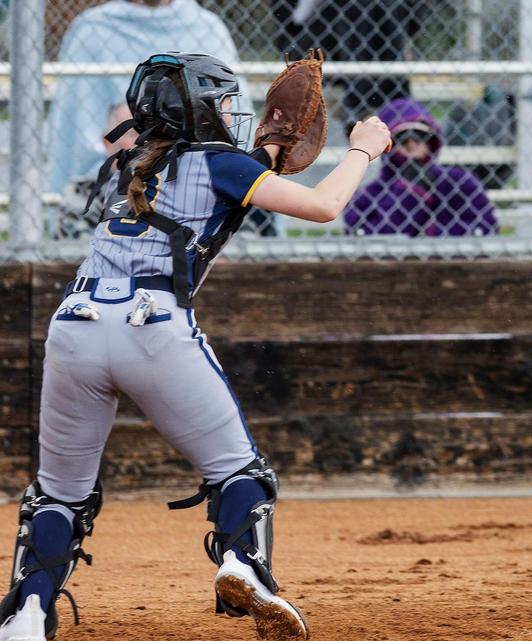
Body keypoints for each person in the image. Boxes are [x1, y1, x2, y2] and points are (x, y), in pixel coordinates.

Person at [0, 52, 391, 641]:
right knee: (240, 472)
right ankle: (244, 567)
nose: (234, 113)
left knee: (58, 493)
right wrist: (363, 148)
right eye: (223, 102)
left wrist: (268, 154)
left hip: (74, 324)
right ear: (200, 110)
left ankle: (26, 615)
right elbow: (323, 206)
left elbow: (214, 181)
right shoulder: (221, 165)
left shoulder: (130, 161)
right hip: (151, 325)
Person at [46, 0, 245, 196]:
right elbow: (78, 126)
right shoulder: (92, 29)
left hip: (197, 171)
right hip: (117, 179)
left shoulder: (206, 27)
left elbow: (229, 109)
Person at [343, 97, 498, 236]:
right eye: (401, 138)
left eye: (420, 135)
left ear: (432, 141)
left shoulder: (459, 181)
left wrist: (430, 235)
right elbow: (367, 238)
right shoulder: (371, 194)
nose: (411, 144)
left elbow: (485, 226)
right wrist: (410, 193)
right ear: (386, 144)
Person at [271, 0, 420, 138]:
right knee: (356, 6)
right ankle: (382, 105)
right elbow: (294, 18)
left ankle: (364, 104)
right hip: (311, 38)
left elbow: (413, 19)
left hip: (367, 34)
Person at [55, 102, 139, 239]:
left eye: (151, 133)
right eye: (132, 133)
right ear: (108, 143)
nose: (144, 141)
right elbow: (75, 248)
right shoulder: (84, 191)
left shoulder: (173, 187)